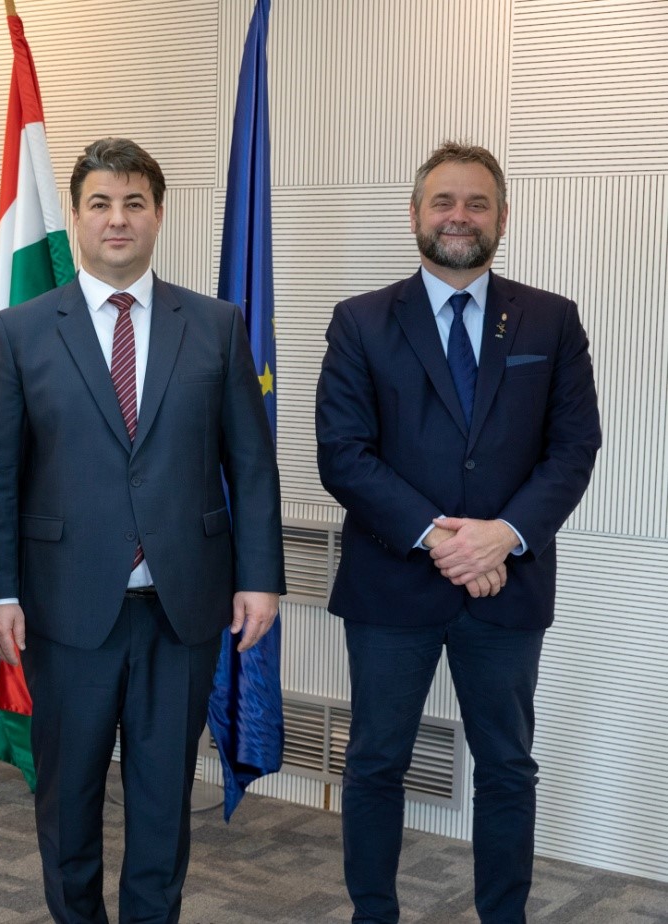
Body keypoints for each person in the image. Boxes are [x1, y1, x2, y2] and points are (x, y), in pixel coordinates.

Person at [0, 137, 285, 924]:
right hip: (64, 609)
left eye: (134, 203)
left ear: (159, 215)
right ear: (76, 217)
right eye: (101, 204)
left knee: (163, 803)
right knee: (67, 799)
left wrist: (260, 577)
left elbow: (251, 465)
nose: (118, 219)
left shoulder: (215, 325)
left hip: (183, 609)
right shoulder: (21, 331)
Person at [315, 141, 601, 924]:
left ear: (503, 217)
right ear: (415, 213)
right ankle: (373, 913)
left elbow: (574, 447)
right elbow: (343, 453)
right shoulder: (361, 321)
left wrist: (503, 534)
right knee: (376, 763)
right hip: (391, 585)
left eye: (477, 203)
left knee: (507, 767)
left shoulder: (551, 319)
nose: (459, 216)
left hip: (508, 586)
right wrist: (443, 540)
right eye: (443, 201)